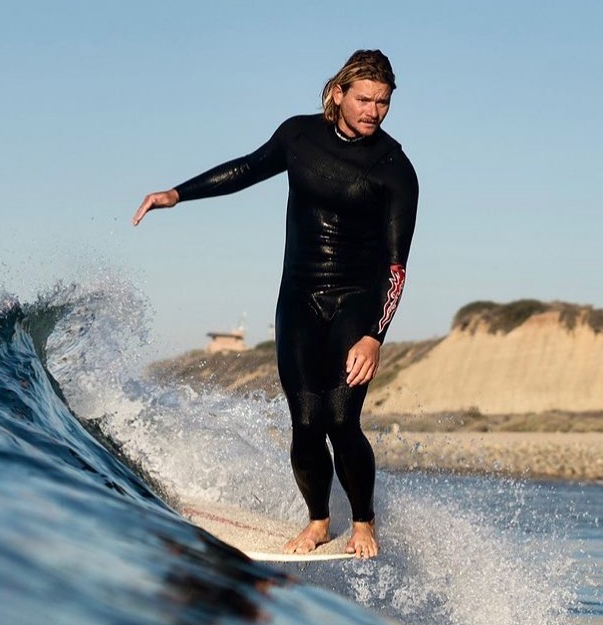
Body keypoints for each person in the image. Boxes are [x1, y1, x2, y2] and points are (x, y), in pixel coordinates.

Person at [133, 49, 419, 558]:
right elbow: (247, 168)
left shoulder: (395, 169)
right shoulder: (299, 136)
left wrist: (375, 336)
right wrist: (177, 194)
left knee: (341, 420)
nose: (373, 111)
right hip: (298, 299)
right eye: (364, 99)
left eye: (382, 102)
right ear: (338, 93)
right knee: (306, 423)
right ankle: (318, 521)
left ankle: (364, 521)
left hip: (356, 302)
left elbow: (396, 267)